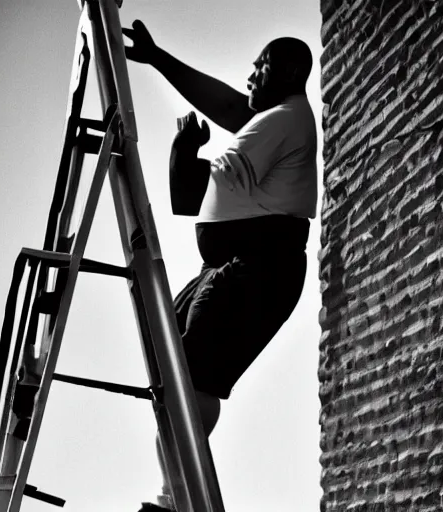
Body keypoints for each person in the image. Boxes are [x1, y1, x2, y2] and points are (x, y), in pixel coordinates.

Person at [123, 20, 317, 512]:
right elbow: (231, 106)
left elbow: (192, 194)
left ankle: (175, 502)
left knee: (192, 376)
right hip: (236, 263)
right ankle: (179, 498)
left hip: (258, 267)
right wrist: (159, 58)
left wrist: (182, 156)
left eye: (263, 66)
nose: (251, 74)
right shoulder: (273, 118)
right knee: (172, 371)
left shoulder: (286, 120)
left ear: (292, 71)